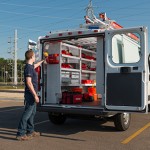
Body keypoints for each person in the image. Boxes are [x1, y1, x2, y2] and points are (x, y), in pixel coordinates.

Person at [16, 49, 44, 141]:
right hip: (30, 94)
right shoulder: (28, 67)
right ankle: (20, 134)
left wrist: (43, 60)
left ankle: (30, 131)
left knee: (32, 113)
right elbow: (28, 82)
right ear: (31, 57)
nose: (35, 57)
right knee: (27, 114)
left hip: (32, 93)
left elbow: (35, 65)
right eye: (34, 56)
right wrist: (35, 95)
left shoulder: (31, 66)